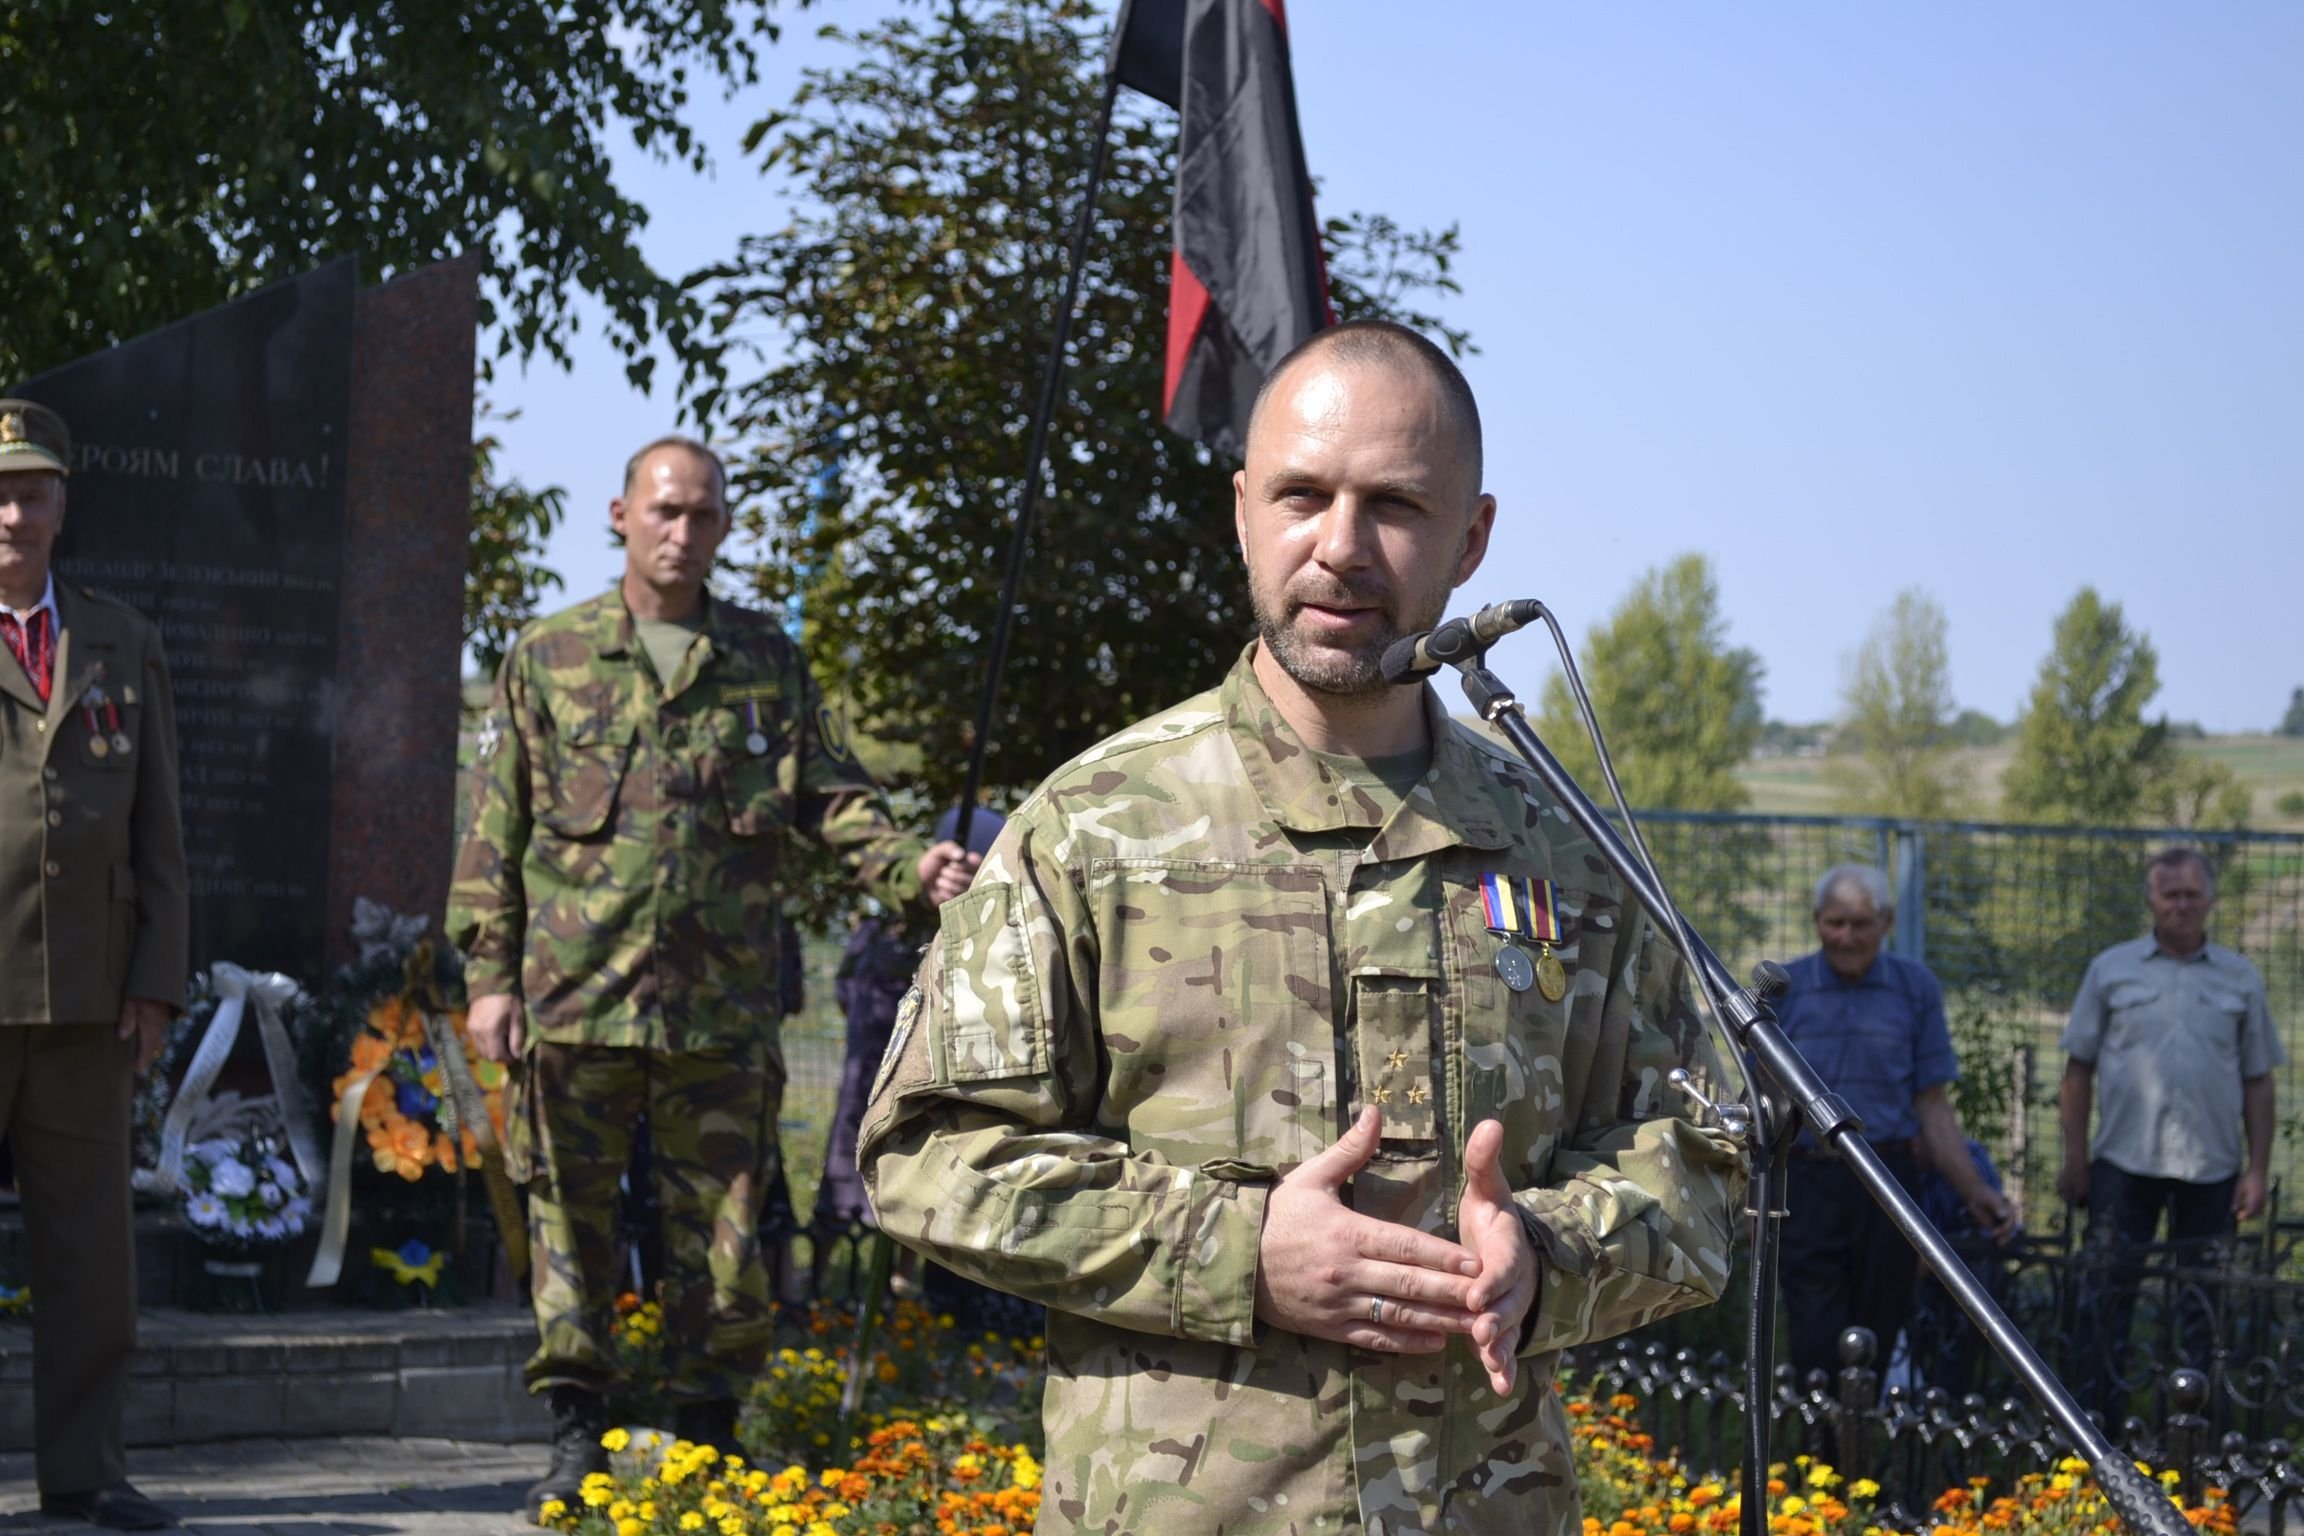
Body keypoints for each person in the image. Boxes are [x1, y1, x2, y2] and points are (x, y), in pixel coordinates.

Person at [859, 321, 1745, 1533]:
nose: (1340, 546)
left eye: (1395, 505)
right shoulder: (1095, 829)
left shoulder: (1566, 848)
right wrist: (1239, 1250)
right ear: (1242, 513)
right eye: (1302, 496)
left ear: (1472, 539)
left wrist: (1546, 1257)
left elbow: (1699, 1165)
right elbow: (926, 1155)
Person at [445, 435, 979, 1521]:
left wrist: (909, 866)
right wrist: (489, 978)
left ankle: (710, 1436)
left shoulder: (763, 661)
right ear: (621, 516)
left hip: (719, 1009)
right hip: (574, 998)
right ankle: (577, 1433)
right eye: (664, 511)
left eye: (701, 515)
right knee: (571, 1228)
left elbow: (833, 796)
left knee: (726, 1236)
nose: (681, 532)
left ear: (724, 527)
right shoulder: (549, 655)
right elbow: (493, 831)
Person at [0, 398, 187, 1531]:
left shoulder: (120, 638)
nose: (11, 514)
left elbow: (159, 826)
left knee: (90, 1256)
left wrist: (154, 979)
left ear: (63, 505)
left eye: (31, 492)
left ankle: (85, 1470)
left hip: (85, 993)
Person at [1774, 864, 2015, 1389]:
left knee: (1878, 1330)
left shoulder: (1914, 989)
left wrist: (1975, 1192)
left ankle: (1863, 1437)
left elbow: (1933, 1105)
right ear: (1817, 921)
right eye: (1835, 923)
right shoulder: (1786, 991)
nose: (1847, 937)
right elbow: (1761, 1102)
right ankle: (1820, 1438)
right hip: (1807, 1181)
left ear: (1887, 922)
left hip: (1888, 1180)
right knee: (1814, 1336)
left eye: (1860, 924)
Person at [2057, 846, 2282, 1397]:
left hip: (2211, 1168)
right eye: (2170, 894)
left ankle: (2196, 1433)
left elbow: (2258, 1079)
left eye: (2191, 894)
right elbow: (2078, 1070)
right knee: (2105, 1300)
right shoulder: (2111, 970)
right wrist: (2075, 1159)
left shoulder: (2240, 978)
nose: (2181, 905)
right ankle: (2094, 1426)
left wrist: (2257, 1170)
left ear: (2210, 899)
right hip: (2124, 1163)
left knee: (2205, 1310)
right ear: (2151, 900)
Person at [811, 805, 1006, 1249]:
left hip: (894, 1098)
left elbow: (845, 990)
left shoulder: (897, 934)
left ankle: (872, 1271)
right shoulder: (946, 938)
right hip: (885, 1095)